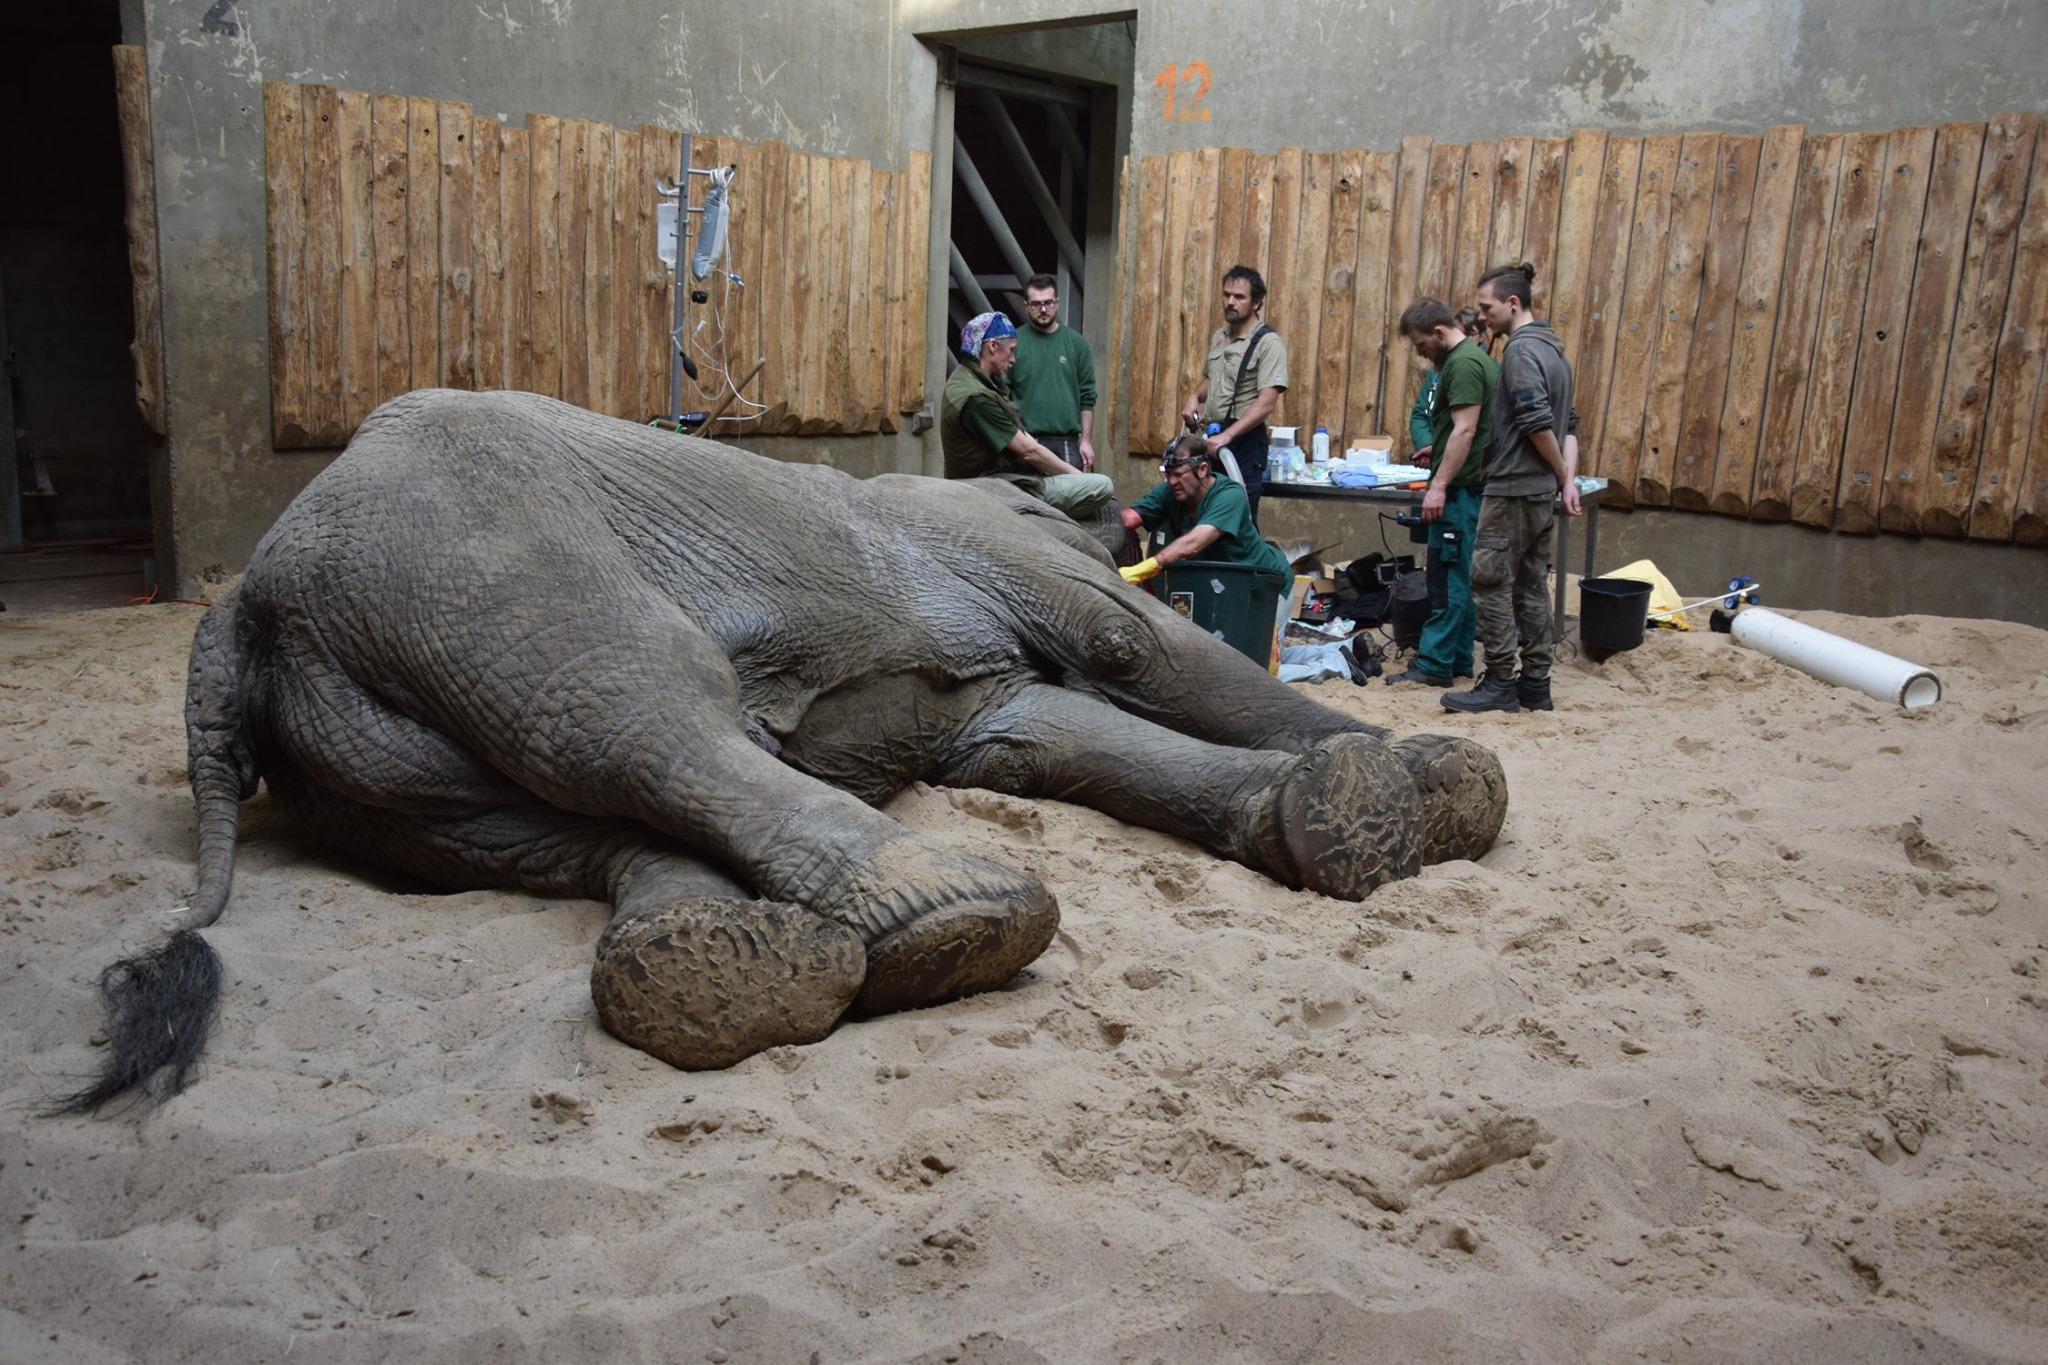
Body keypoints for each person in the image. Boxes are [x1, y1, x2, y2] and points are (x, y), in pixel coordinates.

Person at [1442, 262, 1583, 715]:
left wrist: (1563, 474)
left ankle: (1501, 680)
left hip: (1513, 487)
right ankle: (1535, 684)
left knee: (1490, 582)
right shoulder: (1554, 351)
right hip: (1538, 489)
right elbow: (1571, 425)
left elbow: (1538, 421)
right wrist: (1565, 478)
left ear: (1513, 303)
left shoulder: (1522, 353)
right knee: (1530, 586)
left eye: (1486, 308)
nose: (1481, 317)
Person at [1385, 299, 1496, 689]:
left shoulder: (1463, 364)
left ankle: (1433, 664)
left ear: (1438, 331)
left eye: (1420, 345)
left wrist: (1438, 486)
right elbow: (1466, 430)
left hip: (1459, 493)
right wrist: (1440, 445)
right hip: (1467, 487)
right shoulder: (1468, 360)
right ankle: (1458, 658)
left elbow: (1466, 430)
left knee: (1445, 581)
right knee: (1459, 578)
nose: (1419, 354)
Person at [941, 310, 1115, 520]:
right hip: (995, 487)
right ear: (993, 346)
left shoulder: (971, 379)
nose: (1014, 359)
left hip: (1000, 477)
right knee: (1102, 485)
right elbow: (1028, 451)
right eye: (1011, 351)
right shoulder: (976, 397)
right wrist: (1078, 477)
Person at [1181, 265, 1288, 524]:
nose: (1230, 302)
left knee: (1240, 520)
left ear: (1256, 302)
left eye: (1239, 297)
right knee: (1207, 515)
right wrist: (1194, 397)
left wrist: (1228, 436)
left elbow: (1267, 402)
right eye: (1227, 295)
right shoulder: (1220, 337)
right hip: (1213, 439)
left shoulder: (1268, 343)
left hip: (1243, 444)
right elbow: (1212, 378)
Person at [1118, 434, 1291, 585]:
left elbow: (1193, 544)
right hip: (1221, 582)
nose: (1171, 481)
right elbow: (1128, 519)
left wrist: (1142, 570)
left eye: (1178, 474)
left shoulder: (1230, 495)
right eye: (1168, 474)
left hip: (1265, 583)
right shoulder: (1171, 491)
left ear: (1202, 469)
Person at [1007, 274, 1097, 472]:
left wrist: (1087, 441)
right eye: (1036, 304)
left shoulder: (1076, 343)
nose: (1043, 309)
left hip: (1068, 442)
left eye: (1048, 302)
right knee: (1026, 501)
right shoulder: (1014, 343)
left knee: (1071, 501)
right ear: (1026, 306)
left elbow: (1087, 397)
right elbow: (1003, 396)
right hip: (1027, 441)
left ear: (1057, 303)